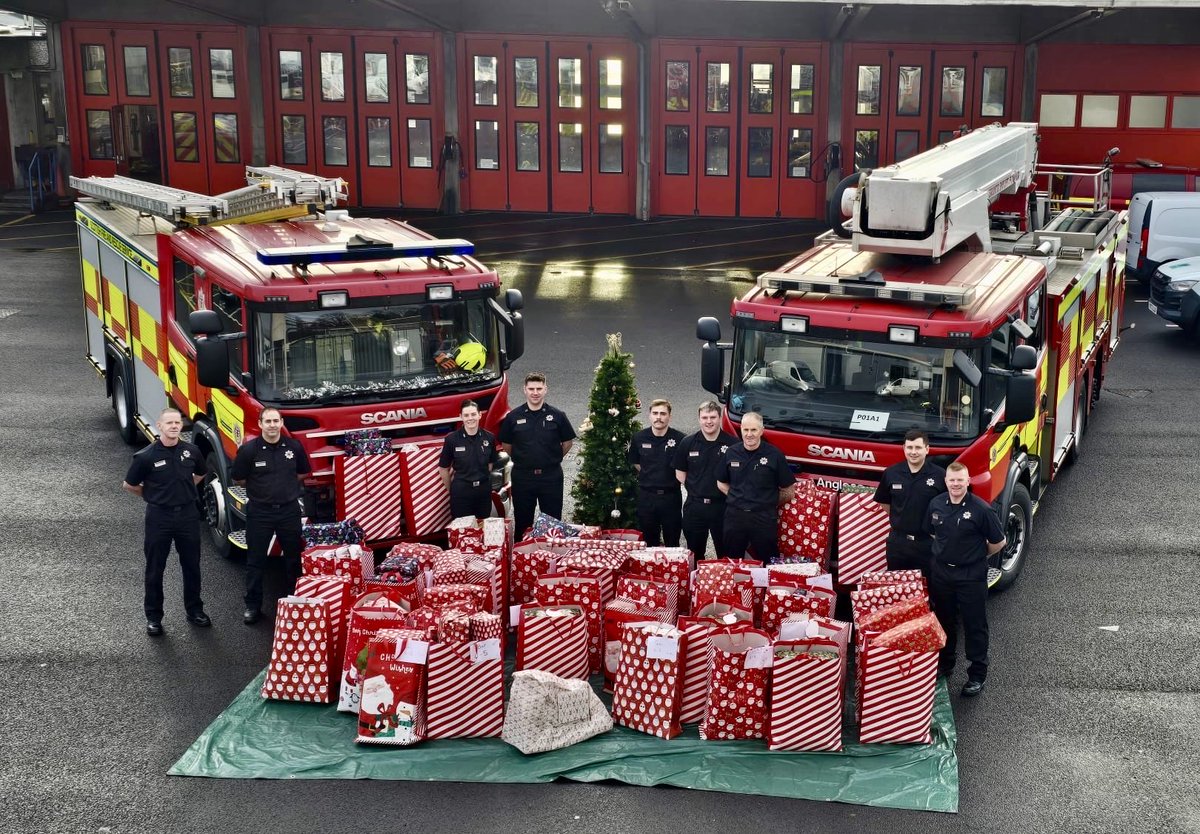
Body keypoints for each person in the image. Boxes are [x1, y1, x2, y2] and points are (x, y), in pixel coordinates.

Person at [122, 407, 209, 637]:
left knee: (191, 565)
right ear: (159, 426)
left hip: (188, 516)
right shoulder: (145, 456)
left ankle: (195, 610)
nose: (174, 426)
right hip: (159, 517)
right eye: (169, 423)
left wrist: (185, 490)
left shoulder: (192, 451)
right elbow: (129, 485)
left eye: (177, 423)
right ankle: (153, 617)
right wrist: (153, 497)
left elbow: (200, 474)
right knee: (155, 568)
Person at [923, 462, 1006, 698]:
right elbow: (933, 532)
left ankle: (977, 674)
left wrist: (975, 556)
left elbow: (998, 542)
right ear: (946, 481)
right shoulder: (936, 504)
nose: (956, 484)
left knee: (974, 624)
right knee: (945, 621)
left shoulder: (981, 510)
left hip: (971, 575)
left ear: (968, 481)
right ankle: (945, 664)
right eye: (952, 480)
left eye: (960, 480)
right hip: (942, 574)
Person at [231, 407, 312, 625]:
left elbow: (303, 472)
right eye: (268, 421)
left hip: (289, 511)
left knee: (293, 559)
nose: (272, 425)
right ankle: (252, 606)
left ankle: (295, 601)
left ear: (281, 422)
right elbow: (238, 478)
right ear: (260, 424)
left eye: (276, 421)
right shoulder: (249, 450)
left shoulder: (294, 447)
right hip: (260, 513)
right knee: (256, 561)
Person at [498, 372, 576, 538]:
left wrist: (551, 458)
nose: (535, 392)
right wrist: (524, 459)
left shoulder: (557, 416)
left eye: (539, 388)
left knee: (553, 523)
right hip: (523, 477)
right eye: (531, 388)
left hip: (551, 477)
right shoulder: (513, 417)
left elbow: (568, 442)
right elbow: (506, 445)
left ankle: (551, 559)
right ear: (524, 390)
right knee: (522, 522)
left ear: (545, 389)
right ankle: (522, 559)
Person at [716, 412, 795, 562]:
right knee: (732, 562)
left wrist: (767, 502)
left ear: (762, 431)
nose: (749, 434)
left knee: (768, 561)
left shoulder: (774, 455)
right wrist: (738, 498)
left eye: (754, 430)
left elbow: (789, 491)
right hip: (735, 517)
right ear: (741, 430)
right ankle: (737, 586)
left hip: (763, 518)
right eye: (746, 430)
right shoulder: (731, 452)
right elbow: (721, 483)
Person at [873, 429, 947, 576]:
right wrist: (902, 516)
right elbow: (885, 503)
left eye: (918, 448)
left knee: (929, 588)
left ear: (927, 449)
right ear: (904, 449)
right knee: (897, 589)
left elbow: (947, 507)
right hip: (898, 543)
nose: (914, 452)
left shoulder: (940, 475)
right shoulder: (891, 473)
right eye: (910, 447)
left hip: (928, 543)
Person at [674, 401, 738, 559]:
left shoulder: (733, 444)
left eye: (712, 417)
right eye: (704, 417)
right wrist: (696, 488)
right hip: (695, 507)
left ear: (719, 417)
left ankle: (725, 583)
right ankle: (696, 583)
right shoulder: (688, 443)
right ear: (699, 419)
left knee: (726, 555)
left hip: (723, 507)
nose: (708, 421)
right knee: (695, 555)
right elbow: (680, 473)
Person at [628, 399, 686, 547]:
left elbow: (684, 466)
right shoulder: (638, 438)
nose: (658, 417)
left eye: (662, 413)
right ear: (649, 415)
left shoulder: (681, 439)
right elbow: (636, 463)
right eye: (655, 413)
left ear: (669, 416)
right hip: (647, 497)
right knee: (649, 542)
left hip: (671, 497)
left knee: (672, 541)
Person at [439, 399, 500, 519]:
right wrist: (453, 490)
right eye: (466, 415)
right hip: (461, 492)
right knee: (464, 532)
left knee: (483, 527)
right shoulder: (451, 440)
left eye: (473, 414)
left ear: (479, 415)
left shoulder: (490, 438)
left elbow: (490, 464)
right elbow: (443, 468)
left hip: (483, 492)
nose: (470, 418)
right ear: (460, 416)